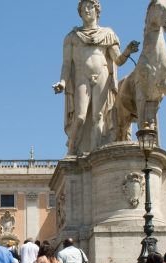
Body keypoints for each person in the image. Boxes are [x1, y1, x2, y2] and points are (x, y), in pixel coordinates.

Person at [52, 0, 139, 155]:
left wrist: (127, 51)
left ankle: (94, 154)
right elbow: (66, 64)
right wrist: (63, 82)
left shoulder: (107, 34)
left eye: (90, 6)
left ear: (97, 10)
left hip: (102, 75)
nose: (87, 9)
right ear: (79, 12)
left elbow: (117, 60)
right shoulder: (72, 37)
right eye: (83, 7)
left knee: (98, 116)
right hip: (81, 77)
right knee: (79, 117)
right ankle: (71, 152)